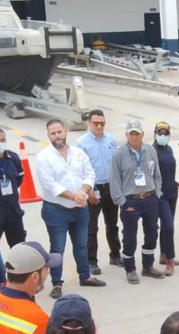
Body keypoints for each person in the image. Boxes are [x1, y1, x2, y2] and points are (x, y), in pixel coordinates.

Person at [35, 119, 107, 299]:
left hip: (80, 209)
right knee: (57, 248)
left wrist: (83, 193)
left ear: (65, 131)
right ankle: (57, 283)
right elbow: (50, 185)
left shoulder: (78, 153)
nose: (57, 136)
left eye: (59, 132)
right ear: (48, 135)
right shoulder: (44, 157)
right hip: (56, 210)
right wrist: (74, 197)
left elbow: (90, 174)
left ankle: (85, 276)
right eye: (53, 133)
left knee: (81, 245)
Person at [110, 119, 166, 284]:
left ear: (142, 134)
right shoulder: (119, 154)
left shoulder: (150, 151)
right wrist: (122, 201)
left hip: (149, 199)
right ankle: (130, 268)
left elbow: (157, 174)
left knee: (151, 233)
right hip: (130, 202)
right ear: (127, 135)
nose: (134, 137)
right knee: (130, 237)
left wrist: (157, 193)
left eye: (137, 133)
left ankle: (148, 266)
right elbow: (114, 180)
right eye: (131, 134)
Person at [76, 110, 121, 274]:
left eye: (102, 123)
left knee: (112, 225)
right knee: (91, 228)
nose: (99, 126)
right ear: (89, 123)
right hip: (93, 191)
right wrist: (88, 190)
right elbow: (78, 170)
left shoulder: (111, 140)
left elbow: (116, 164)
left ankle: (115, 255)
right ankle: (91, 261)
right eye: (96, 123)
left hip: (110, 188)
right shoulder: (81, 144)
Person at [153, 121, 179, 275]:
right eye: (160, 133)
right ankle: (170, 260)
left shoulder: (169, 149)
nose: (163, 136)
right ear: (155, 134)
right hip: (160, 194)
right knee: (168, 226)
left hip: (172, 192)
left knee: (167, 226)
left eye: (166, 133)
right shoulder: (152, 151)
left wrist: (173, 181)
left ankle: (164, 255)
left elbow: (167, 170)